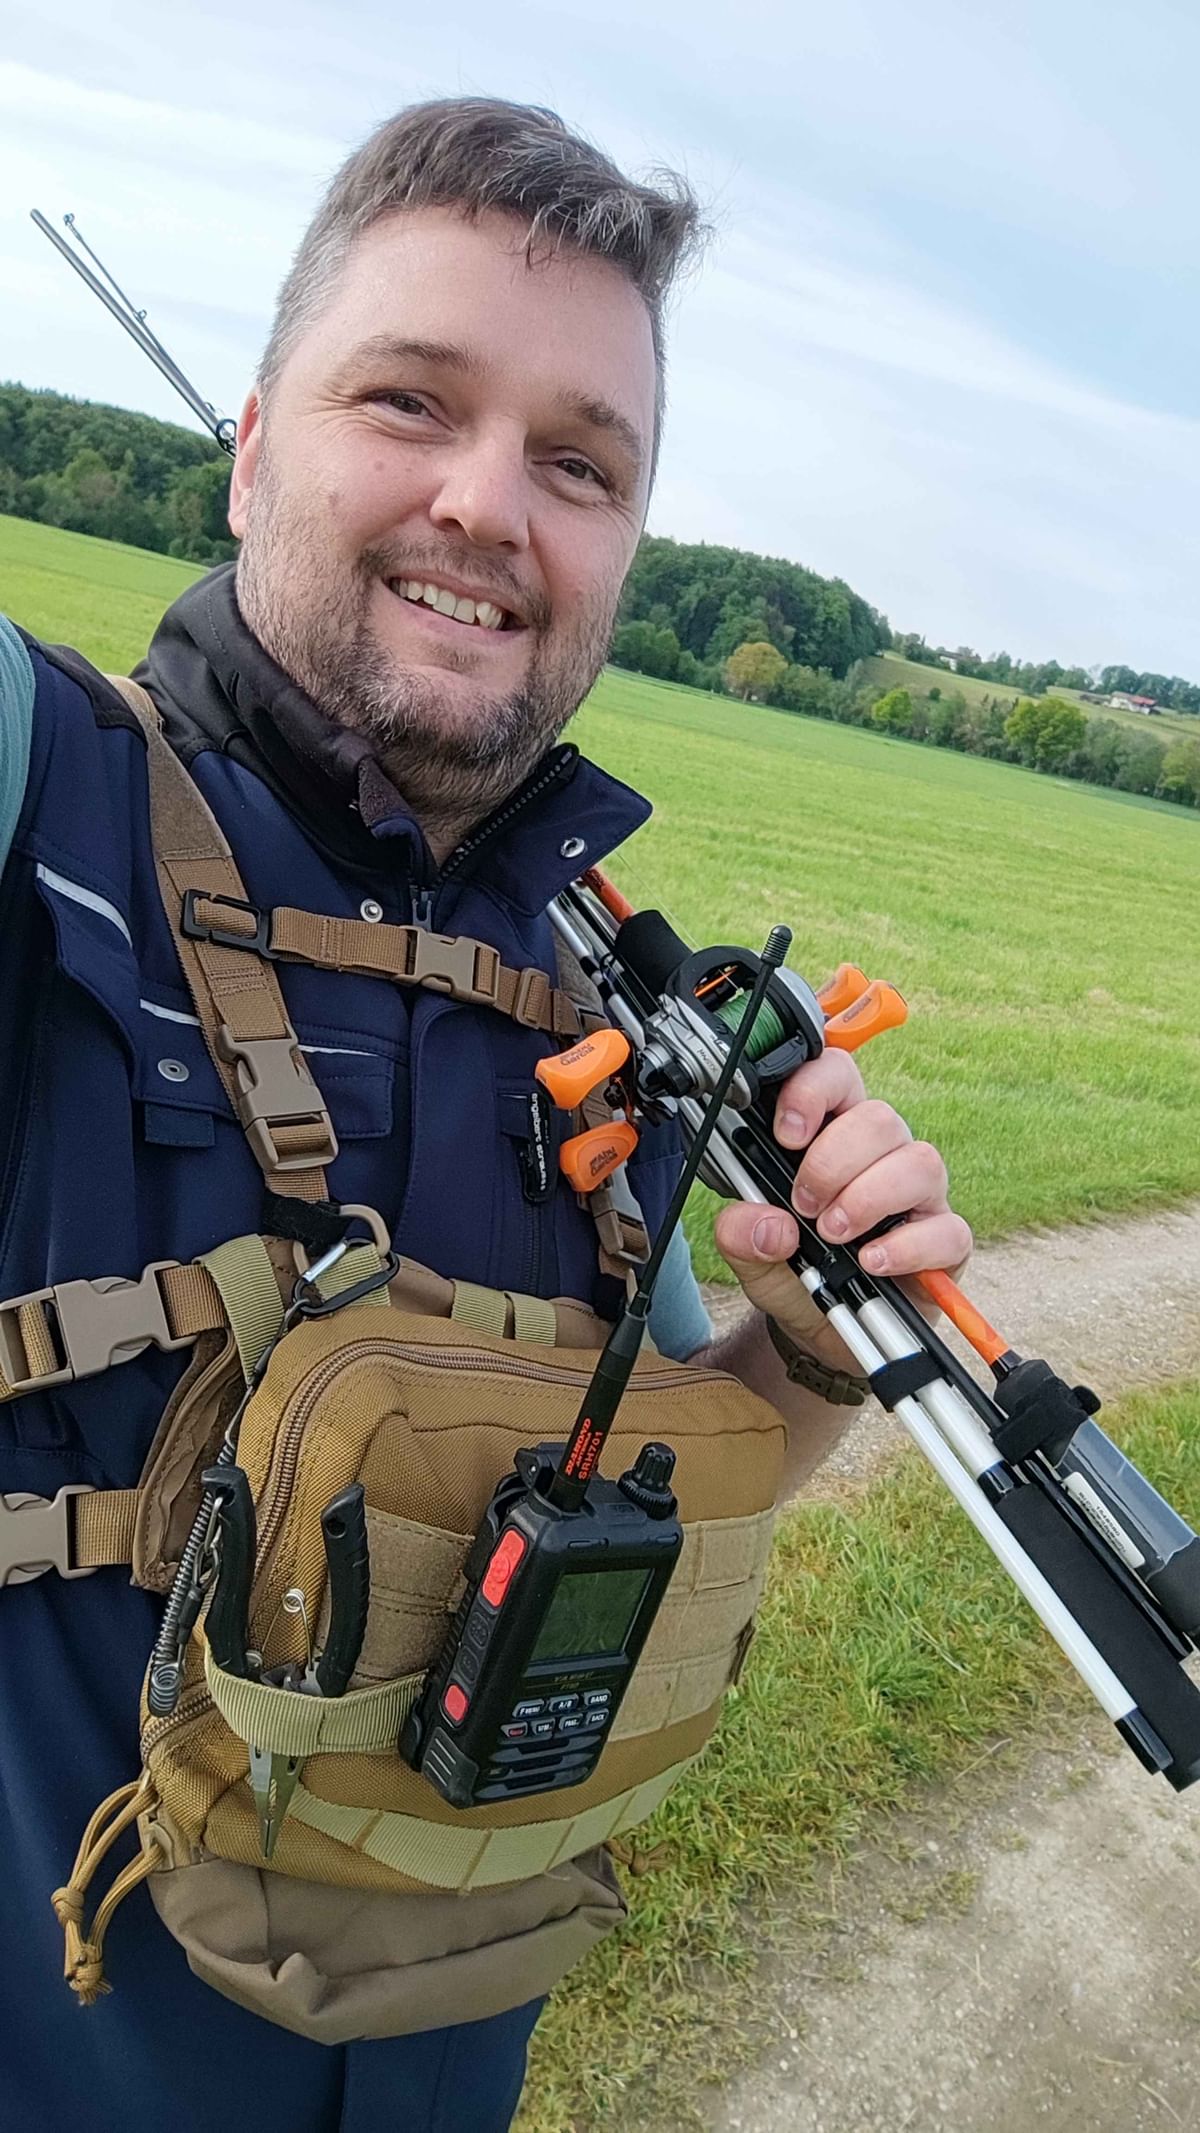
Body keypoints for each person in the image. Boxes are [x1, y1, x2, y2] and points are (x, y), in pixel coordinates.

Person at [0, 97, 971, 2133]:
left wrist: (806, 1340)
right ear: (251, 445)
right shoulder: (46, 807)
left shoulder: (602, 985)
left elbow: (672, 1454)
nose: (487, 502)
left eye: (579, 463)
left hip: (460, 2055)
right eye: (407, 400)